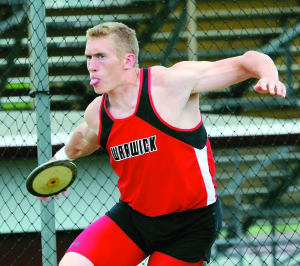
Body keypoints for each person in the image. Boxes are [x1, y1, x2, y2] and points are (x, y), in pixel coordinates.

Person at [39, 22, 286, 266]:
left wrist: (269, 76)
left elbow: (246, 60)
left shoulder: (172, 85)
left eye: (101, 57)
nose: (91, 66)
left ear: (128, 61)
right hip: (134, 218)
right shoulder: (97, 113)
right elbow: (83, 139)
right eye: (89, 57)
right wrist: (59, 162)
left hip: (191, 224)